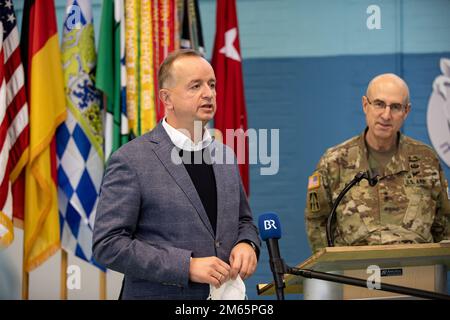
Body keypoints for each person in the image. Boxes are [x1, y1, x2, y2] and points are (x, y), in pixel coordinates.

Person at [92, 49, 260, 299]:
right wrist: (187, 266)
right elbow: (108, 244)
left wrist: (247, 244)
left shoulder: (225, 155)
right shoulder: (131, 160)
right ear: (166, 98)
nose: (208, 93)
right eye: (195, 86)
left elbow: (243, 221)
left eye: (211, 84)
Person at [305, 73, 450, 253]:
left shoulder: (426, 159)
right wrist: (335, 270)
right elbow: (318, 223)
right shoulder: (334, 162)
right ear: (365, 105)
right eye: (379, 104)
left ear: (406, 111)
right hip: (354, 274)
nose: (386, 115)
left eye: (395, 107)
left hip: (417, 271)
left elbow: (444, 223)